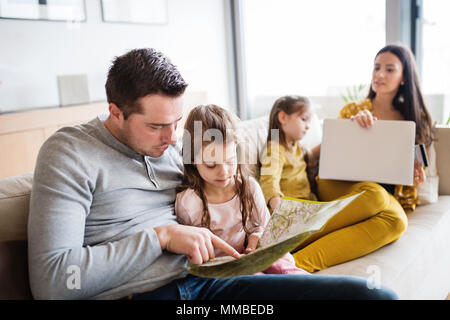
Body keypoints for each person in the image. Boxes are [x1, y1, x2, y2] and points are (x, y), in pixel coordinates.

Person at [27, 48, 397, 300]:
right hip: (159, 294)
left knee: (375, 295)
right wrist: (161, 237)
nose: (173, 139)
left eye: (176, 122)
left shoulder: (177, 149)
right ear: (116, 112)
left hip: (216, 280)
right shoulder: (69, 154)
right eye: (157, 126)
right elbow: (53, 281)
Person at [292, 44, 433, 273]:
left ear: (404, 77)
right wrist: (350, 128)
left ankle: (295, 265)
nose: (379, 74)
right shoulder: (354, 110)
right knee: (375, 195)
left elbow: (407, 182)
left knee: (397, 222)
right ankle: (284, 245)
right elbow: (317, 154)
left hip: (378, 194)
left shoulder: (411, 122)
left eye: (389, 69)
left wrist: (415, 178)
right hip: (337, 184)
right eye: (376, 67)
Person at [175, 104, 308, 275]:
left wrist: (257, 236)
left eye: (230, 161)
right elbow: (186, 256)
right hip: (219, 272)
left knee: (284, 267)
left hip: (253, 258)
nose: (223, 172)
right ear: (192, 159)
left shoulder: (249, 187)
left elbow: (268, 231)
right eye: (211, 165)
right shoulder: (188, 203)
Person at [259, 95, 318, 214]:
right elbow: (269, 181)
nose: (308, 126)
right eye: (303, 119)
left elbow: (310, 154)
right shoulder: (274, 149)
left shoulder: (295, 145)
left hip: (306, 203)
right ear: (283, 117)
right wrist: (282, 211)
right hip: (288, 211)